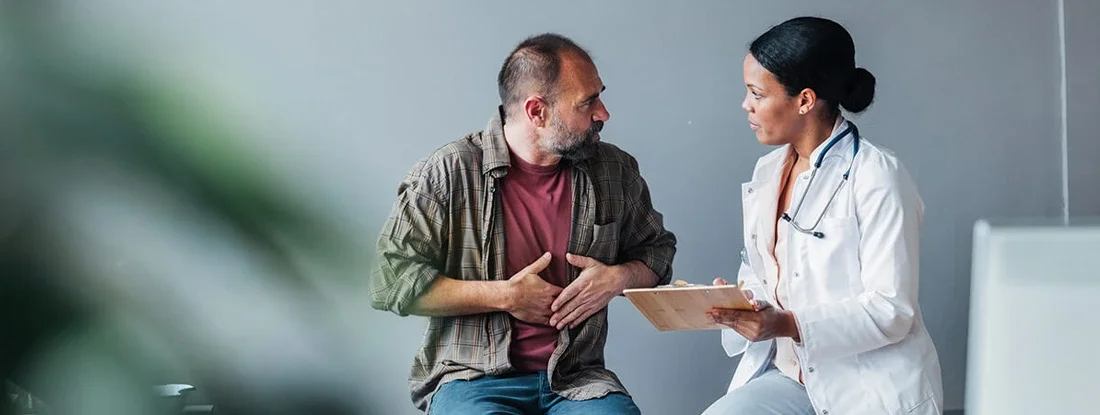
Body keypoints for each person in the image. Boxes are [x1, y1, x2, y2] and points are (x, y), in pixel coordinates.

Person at [370, 33, 677, 414]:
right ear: (537, 112)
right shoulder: (448, 172)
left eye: (599, 95)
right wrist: (505, 295)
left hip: (576, 379)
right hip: (471, 378)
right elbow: (389, 282)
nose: (603, 113)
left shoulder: (615, 170)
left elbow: (658, 253)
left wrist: (619, 278)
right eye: (588, 102)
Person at [702, 17, 944, 415]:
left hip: (867, 387)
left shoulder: (877, 176)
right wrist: (744, 302)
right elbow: (766, 274)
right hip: (795, 378)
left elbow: (892, 309)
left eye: (757, 93)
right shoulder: (768, 171)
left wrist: (788, 324)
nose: (746, 105)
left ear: (805, 101)